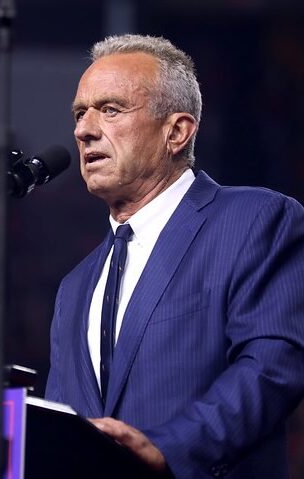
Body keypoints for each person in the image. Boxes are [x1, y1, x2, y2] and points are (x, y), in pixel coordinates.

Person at [45, 34, 304, 478]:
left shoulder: (254, 220)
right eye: (79, 113)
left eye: (110, 110)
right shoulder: (75, 286)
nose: (83, 129)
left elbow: (273, 365)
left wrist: (167, 449)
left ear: (177, 132)